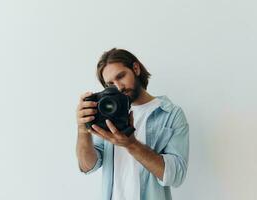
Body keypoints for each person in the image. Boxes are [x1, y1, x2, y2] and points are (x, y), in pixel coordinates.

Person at [76, 48, 189, 200]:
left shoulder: (170, 114)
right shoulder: (105, 115)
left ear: (135, 68)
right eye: (110, 84)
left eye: (121, 76)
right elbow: (88, 166)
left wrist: (131, 144)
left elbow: (176, 176)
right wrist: (83, 131)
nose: (119, 87)